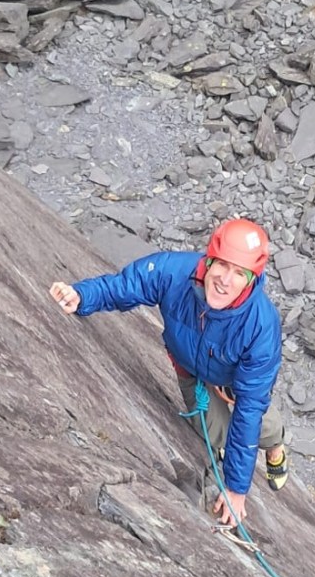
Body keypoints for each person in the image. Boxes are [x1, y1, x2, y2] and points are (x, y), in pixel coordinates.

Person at [50, 218, 287, 530]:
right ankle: (234, 442)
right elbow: (126, 286)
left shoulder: (260, 326)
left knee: (261, 426)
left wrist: (236, 489)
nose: (225, 280)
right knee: (212, 432)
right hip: (190, 366)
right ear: (209, 259)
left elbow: (250, 406)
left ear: (251, 279)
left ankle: (276, 450)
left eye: (239, 273)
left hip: (234, 383)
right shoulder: (174, 273)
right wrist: (82, 296)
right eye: (222, 266)